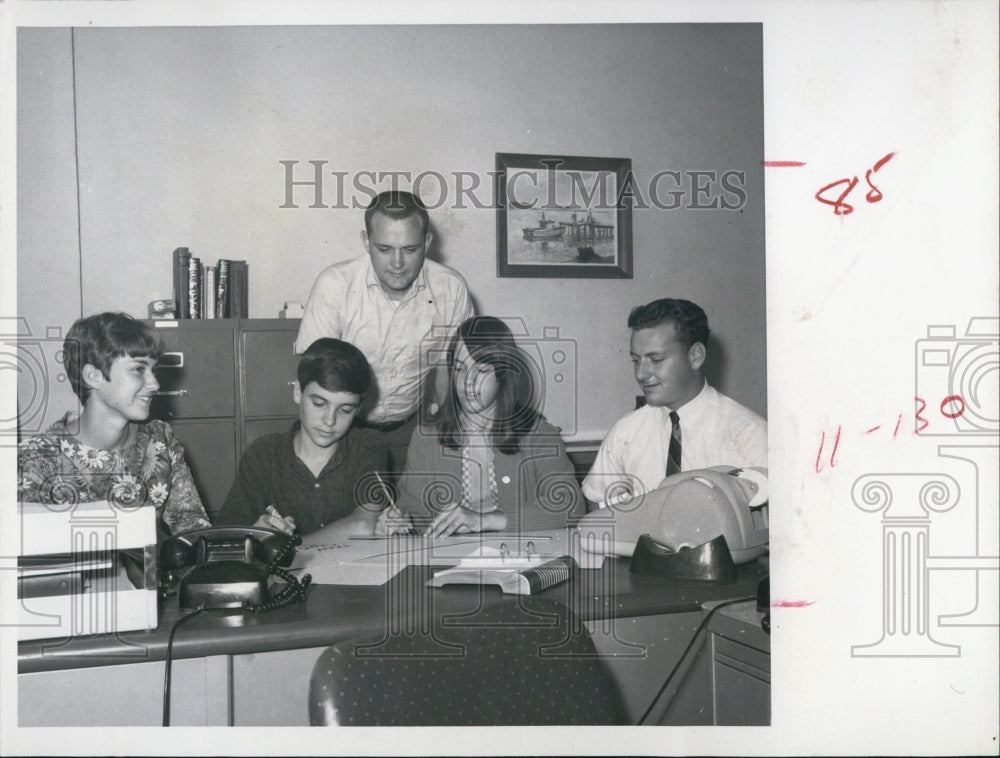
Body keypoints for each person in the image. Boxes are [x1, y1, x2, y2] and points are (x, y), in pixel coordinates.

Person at [294, 190, 474, 479]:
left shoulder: (450, 289)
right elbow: (317, 377)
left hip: (410, 432)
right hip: (344, 431)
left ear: (427, 243)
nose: (398, 263)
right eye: (385, 249)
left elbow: (448, 375)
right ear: (366, 242)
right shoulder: (335, 284)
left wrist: (447, 445)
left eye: (410, 249)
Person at [17, 312, 211, 535]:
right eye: (138, 369)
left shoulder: (159, 441)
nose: (155, 384)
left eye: (153, 370)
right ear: (93, 376)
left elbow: (194, 534)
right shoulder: (35, 459)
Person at [395, 316, 586, 537]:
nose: (468, 382)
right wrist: (401, 521)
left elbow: (571, 507)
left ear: (503, 374)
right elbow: (412, 510)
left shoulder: (539, 435)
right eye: (459, 369)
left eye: (482, 370)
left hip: (518, 559)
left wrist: (485, 521)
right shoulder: (426, 436)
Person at [582, 298, 768, 508]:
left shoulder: (750, 435)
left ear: (695, 356)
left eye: (656, 360)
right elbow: (596, 506)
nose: (641, 374)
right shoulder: (625, 433)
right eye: (636, 360)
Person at [216, 338, 406, 540]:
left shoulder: (369, 447)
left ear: (358, 409)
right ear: (298, 392)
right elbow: (224, 542)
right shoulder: (262, 455)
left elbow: (364, 525)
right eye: (319, 403)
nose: (330, 420)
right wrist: (253, 535)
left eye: (346, 410)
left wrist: (287, 547)